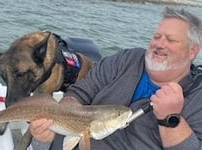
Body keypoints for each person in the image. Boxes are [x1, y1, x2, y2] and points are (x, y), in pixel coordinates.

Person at [29, 7, 202, 150]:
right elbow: (79, 92)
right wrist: (60, 121)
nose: (159, 44)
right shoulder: (125, 59)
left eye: (171, 40)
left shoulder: (198, 98)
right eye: (157, 37)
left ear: (192, 51)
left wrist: (170, 119)